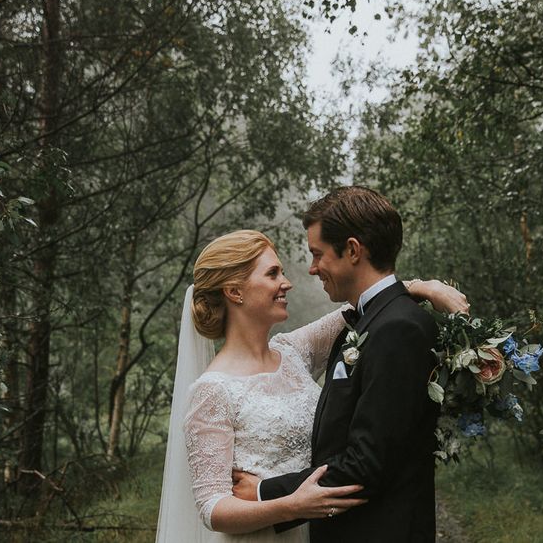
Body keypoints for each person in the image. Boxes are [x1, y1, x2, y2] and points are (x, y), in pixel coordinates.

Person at [156, 226, 468, 542]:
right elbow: (212, 508)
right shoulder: (212, 390)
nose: (286, 283)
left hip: (325, 530)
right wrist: (291, 506)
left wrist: (424, 287)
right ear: (235, 292)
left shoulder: (293, 351)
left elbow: (368, 307)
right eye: (273, 274)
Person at [233, 187, 450, 542]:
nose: (312, 268)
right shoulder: (368, 321)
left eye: (318, 254)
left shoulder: (398, 328)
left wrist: (265, 494)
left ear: (352, 250)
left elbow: (367, 464)